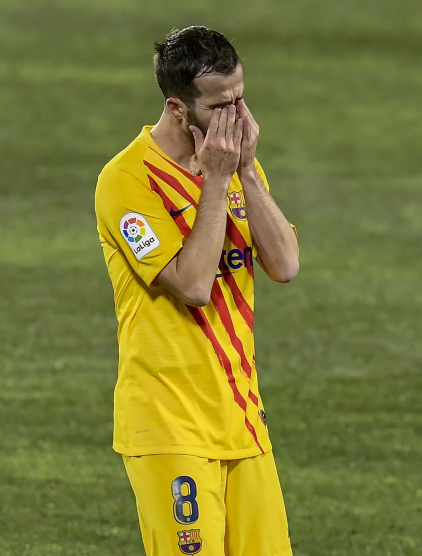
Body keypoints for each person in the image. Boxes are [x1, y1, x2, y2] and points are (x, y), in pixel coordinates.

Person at [94, 25, 298, 556]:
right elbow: (191, 285)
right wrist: (215, 181)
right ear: (178, 108)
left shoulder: (234, 163)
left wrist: (247, 173)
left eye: (240, 99)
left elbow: (285, 265)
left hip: (243, 420)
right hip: (168, 426)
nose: (236, 118)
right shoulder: (127, 180)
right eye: (219, 107)